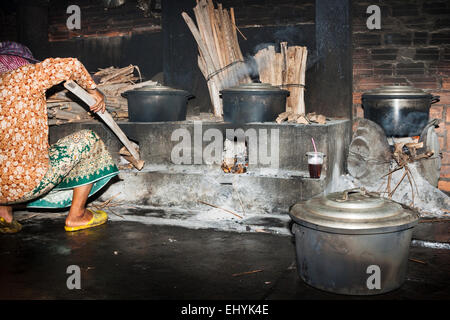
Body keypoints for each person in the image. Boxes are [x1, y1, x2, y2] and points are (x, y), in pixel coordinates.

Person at [0, 41, 119, 233]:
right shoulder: (25, 76)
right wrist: (93, 91)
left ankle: (4, 215)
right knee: (88, 140)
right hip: (25, 185)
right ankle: (77, 216)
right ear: (22, 62)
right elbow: (72, 64)